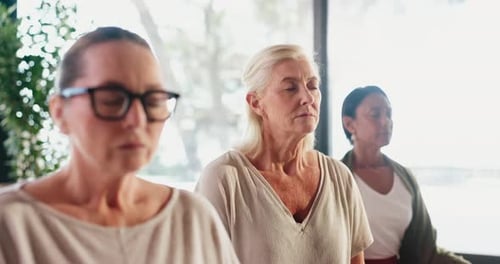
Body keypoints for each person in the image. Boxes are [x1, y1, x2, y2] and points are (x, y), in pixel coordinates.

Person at [0, 26, 240, 264]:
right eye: (112, 100)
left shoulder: (192, 218)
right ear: (60, 112)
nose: (137, 120)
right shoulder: (11, 225)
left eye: (153, 100)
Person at [195, 44, 373, 264]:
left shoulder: (340, 177)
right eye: (290, 88)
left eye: (312, 86)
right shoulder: (223, 180)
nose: (307, 98)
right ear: (256, 103)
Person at [340, 85, 470, 264]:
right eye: (375, 114)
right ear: (349, 124)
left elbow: (426, 248)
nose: (386, 121)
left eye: (389, 114)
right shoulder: (335, 178)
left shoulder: (405, 178)